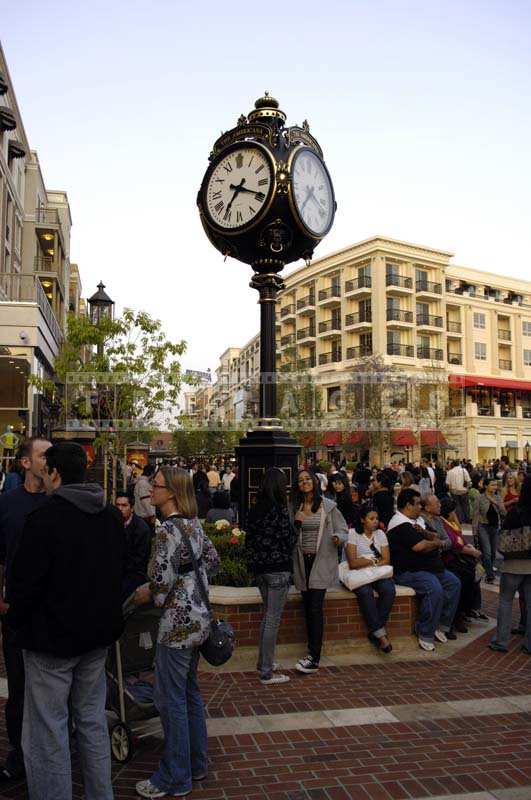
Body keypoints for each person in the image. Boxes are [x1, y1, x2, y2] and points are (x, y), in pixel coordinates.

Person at [7, 442, 125, 800]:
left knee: (48, 732)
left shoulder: (44, 519)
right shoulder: (109, 516)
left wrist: (17, 620)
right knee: (91, 722)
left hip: (51, 643)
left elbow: (23, 586)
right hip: (96, 638)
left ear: (55, 473)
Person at [134, 467, 220, 798]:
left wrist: (146, 593)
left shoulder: (166, 530)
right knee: (189, 694)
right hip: (199, 622)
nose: (150, 492)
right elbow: (211, 560)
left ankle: (174, 776)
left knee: (170, 701)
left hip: (176, 626)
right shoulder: (193, 525)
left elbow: (159, 581)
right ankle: (196, 764)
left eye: (155, 486)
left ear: (170, 493)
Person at [0, 437, 51, 783]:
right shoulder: (6, 504)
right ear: (25, 463)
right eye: (42, 454)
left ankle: (49, 753)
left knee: (49, 688)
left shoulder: (58, 502)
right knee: (18, 688)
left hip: (51, 610)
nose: (49, 460)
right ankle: (19, 754)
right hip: (16, 611)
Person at [387, 489, 461, 651]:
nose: (420, 507)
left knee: (453, 583)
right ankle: (425, 632)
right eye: (418, 504)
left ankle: (441, 625)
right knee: (433, 587)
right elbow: (420, 546)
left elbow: (434, 536)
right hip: (408, 571)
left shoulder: (419, 521)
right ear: (408, 505)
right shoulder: (400, 524)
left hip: (430, 568)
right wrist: (435, 543)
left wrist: (430, 538)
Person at [291, 469, 348, 674]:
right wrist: (296, 522)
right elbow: (291, 534)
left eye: (308, 479)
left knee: (315, 608)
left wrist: (337, 538)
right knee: (307, 607)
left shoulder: (328, 507)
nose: (304, 482)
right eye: (300, 480)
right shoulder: (295, 507)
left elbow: (343, 531)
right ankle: (310, 652)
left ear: (315, 482)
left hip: (321, 561)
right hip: (302, 561)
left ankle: (314, 657)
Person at [245, 468, 298, 684]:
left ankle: (264, 662)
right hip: (278, 569)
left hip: (260, 570)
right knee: (272, 620)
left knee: (268, 617)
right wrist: (300, 523)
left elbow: (249, 541)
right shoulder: (280, 510)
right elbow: (289, 539)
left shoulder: (254, 509)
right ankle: (266, 670)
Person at [489, 473, 531, 654]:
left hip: (513, 563)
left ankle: (501, 640)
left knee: (505, 601)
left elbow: (502, 536)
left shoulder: (516, 511)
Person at [345, 507, 395, 653]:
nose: (375, 522)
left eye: (377, 519)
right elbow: (353, 563)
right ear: (362, 519)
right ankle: (381, 637)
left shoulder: (380, 534)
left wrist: (367, 561)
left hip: (377, 573)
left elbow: (386, 559)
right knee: (365, 592)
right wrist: (373, 560)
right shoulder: (353, 534)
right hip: (358, 574)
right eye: (371, 519)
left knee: (389, 590)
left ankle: (375, 631)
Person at [438, 496, 485, 631]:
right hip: (451, 561)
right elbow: (454, 544)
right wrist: (472, 552)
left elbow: (461, 539)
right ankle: (457, 616)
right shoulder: (444, 524)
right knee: (464, 579)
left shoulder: (452, 523)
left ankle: (469, 609)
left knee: (474, 575)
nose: (456, 513)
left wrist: (470, 548)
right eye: (454, 511)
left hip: (459, 558)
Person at [115, 491, 152, 601]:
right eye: (117, 505)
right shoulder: (113, 522)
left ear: (131, 508)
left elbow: (139, 560)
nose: (120, 508)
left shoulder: (141, 528)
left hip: (134, 573)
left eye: (124, 505)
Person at [474, 478, 504, 583]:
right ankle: (490, 576)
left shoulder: (498, 497)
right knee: (487, 552)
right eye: (492, 485)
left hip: (495, 527)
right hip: (483, 527)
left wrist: (495, 502)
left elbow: (504, 513)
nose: (495, 487)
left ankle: (488, 568)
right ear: (486, 486)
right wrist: (474, 531)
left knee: (493, 554)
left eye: (496, 485)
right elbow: (476, 515)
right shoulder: (479, 497)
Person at [134, 463, 156, 529]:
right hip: (144, 517)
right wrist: (152, 515)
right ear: (152, 472)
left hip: (142, 516)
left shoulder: (142, 482)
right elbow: (146, 501)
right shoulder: (143, 484)